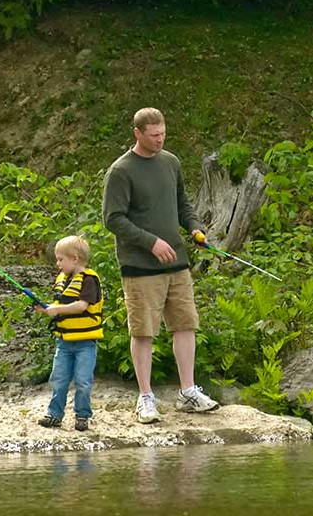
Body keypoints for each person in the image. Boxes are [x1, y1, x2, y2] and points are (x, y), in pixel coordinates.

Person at [102, 107, 219, 424]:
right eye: (154, 136)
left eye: (163, 134)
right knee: (143, 331)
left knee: (185, 324)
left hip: (177, 264)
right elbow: (113, 219)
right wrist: (150, 242)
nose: (159, 140)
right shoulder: (121, 171)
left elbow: (183, 203)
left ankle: (188, 392)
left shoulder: (171, 162)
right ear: (137, 133)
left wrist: (194, 228)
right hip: (140, 267)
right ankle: (145, 397)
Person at [34, 235, 103, 432]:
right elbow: (60, 306)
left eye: (60, 259)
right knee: (59, 378)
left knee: (82, 381)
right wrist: (46, 309)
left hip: (85, 343)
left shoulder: (89, 280)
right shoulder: (63, 279)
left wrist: (57, 310)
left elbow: (81, 306)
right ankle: (54, 415)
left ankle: (82, 416)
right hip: (63, 342)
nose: (57, 264)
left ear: (75, 259)